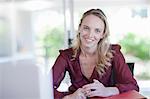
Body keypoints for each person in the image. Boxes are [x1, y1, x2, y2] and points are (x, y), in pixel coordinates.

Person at [52, 9, 139, 99]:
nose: (90, 35)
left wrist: (107, 90)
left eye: (97, 30)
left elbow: (132, 86)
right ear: (79, 29)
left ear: (102, 34)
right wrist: (69, 97)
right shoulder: (66, 56)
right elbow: (46, 88)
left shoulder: (114, 53)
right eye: (86, 28)